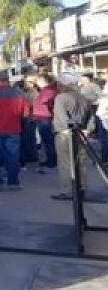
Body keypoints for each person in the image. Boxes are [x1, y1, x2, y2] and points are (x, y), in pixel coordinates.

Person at [0, 70, 30, 191]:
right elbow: (26, 114)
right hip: (13, 130)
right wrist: (21, 126)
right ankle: (13, 183)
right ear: (8, 80)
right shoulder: (19, 94)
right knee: (13, 157)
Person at [51, 73, 95, 201]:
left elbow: (61, 116)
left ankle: (67, 190)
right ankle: (81, 188)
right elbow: (91, 116)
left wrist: (67, 128)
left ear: (63, 84)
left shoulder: (61, 98)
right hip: (81, 133)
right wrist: (88, 129)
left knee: (65, 162)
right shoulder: (83, 97)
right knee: (81, 162)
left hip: (65, 134)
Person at [32, 73, 59, 173]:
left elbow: (46, 102)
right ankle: (49, 160)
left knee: (49, 141)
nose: (37, 83)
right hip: (42, 117)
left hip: (45, 118)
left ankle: (52, 162)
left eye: (38, 81)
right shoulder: (46, 90)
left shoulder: (49, 91)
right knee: (46, 141)